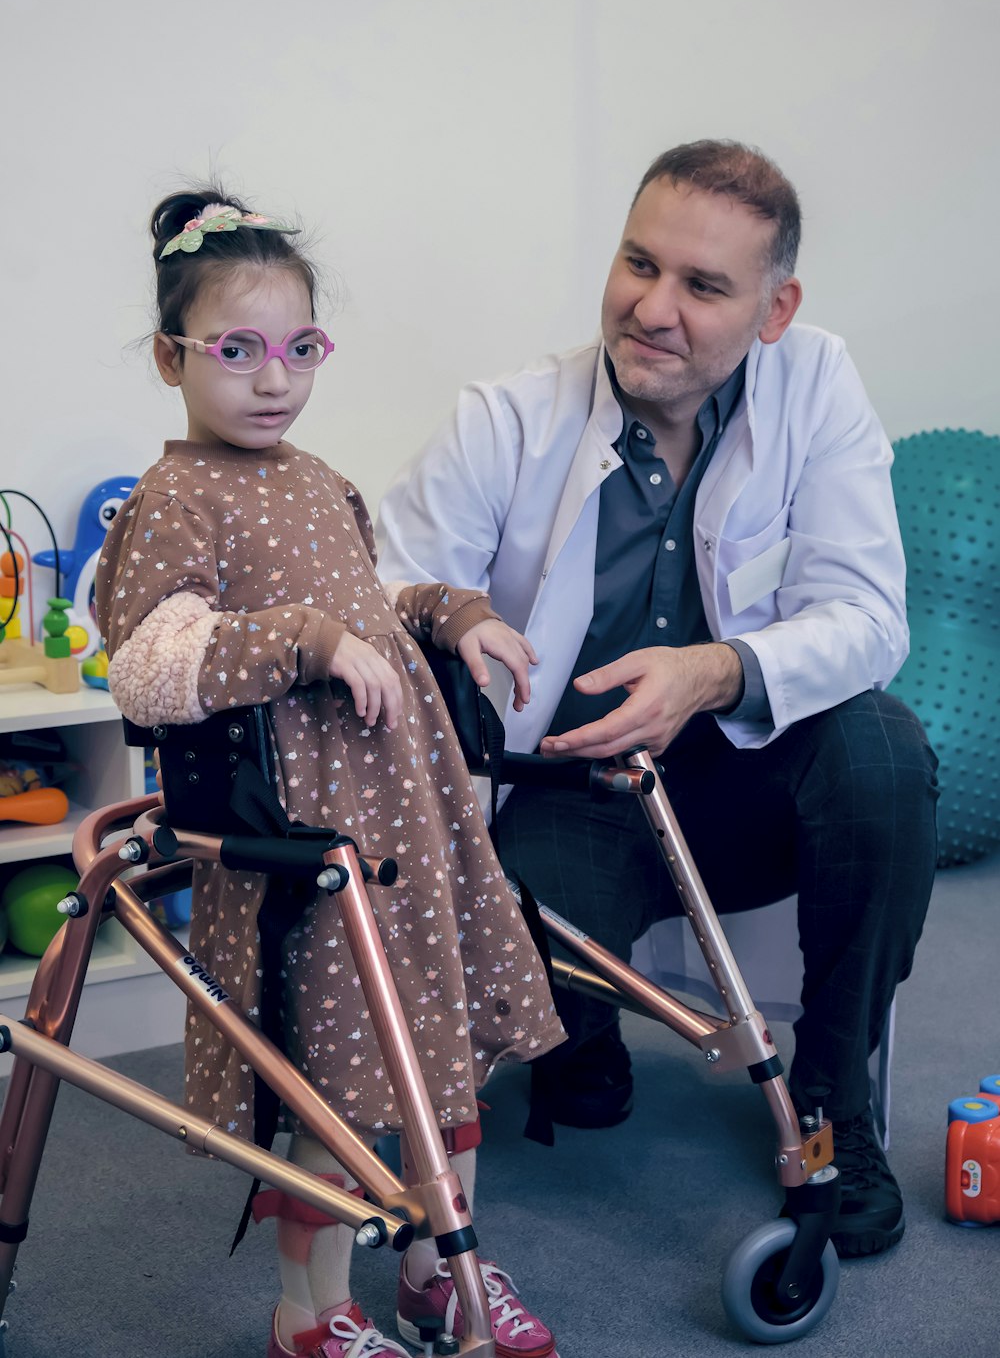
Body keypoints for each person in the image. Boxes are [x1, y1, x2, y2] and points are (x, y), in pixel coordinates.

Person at [376, 139, 939, 1260]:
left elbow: (871, 617)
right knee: (531, 982)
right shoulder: (507, 415)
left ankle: (833, 1102)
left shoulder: (816, 382)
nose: (653, 308)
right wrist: (454, 617)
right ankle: (581, 1034)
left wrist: (715, 670)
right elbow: (389, 580)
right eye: (639, 264)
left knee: (882, 750)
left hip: (744, 777)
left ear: (773, 309)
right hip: (574, 786)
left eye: (702, 286)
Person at [95, 190, 565, 1358]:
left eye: (299, 348)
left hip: (416, 820)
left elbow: (370, 609)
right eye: (237, 350)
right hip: (314, 843)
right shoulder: (175, 496)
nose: (274, 379)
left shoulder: (320, 479)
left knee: (442, 1059)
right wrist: (299, 640)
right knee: (337, 1087)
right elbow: (149, 661)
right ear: (172, 358)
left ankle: (433, 1268)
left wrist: (449, 614)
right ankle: (313, 1312)